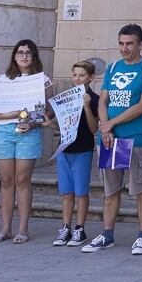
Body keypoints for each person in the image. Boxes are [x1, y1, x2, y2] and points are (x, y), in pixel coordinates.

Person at [82, 24, 142, 255]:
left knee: (140, 188)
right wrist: (105, 130)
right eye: (121, 43)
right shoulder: (114, 67)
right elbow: (103, 101)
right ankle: (107, 234)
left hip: (135, 138)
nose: (124, 48)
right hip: (110, 139)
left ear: (140, 44)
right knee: (110, 189)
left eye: (129, 43)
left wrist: (112, 124)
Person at [0, 39, 53, 245]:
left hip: (29, 131)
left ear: (34, 56)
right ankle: (5, 229)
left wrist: (33, 123)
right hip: (4, 131)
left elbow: (48, 111)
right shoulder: (4, 79)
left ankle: (23, 229)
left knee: (22, 179)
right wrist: (12, 113)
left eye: (28, 52)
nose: (24, 56)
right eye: (20, 52)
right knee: (6, 181)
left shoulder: (43, 81)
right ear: (14, 56)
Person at [55, 61, 101, 246]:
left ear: (90, 78)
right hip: (65, 148)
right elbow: (59, 122)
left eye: (81, 75)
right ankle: (65, 227)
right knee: (66, 192)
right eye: (75, 75)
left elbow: (93, 128)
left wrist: (87, 108)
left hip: (83, 149)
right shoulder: (66, 97)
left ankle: (80, 228)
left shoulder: (95, 99)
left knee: (81, 192)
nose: (77, 79)